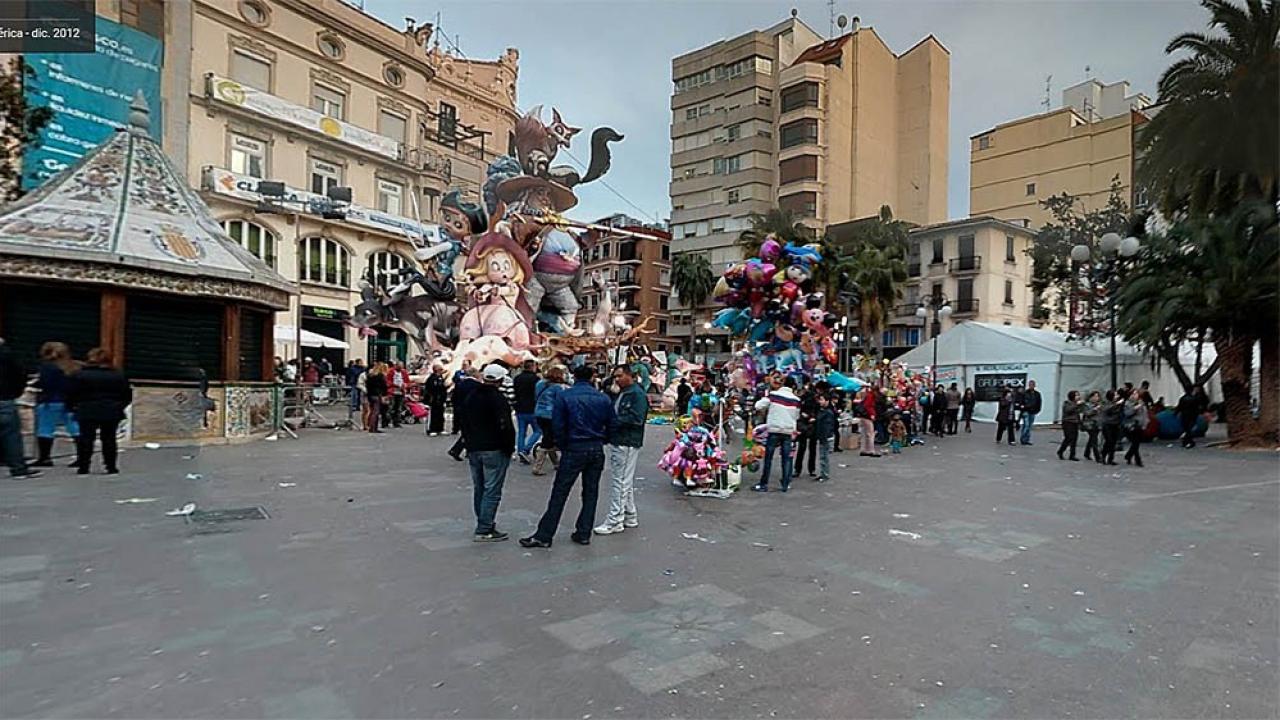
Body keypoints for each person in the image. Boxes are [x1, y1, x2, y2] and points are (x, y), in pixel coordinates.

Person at [521, 364, 615, 548]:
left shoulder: (565, 396)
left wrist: (563, 444)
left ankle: (545, 534)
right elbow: (612, 423)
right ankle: (584, 532)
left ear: (575, 377)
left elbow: (558, 425)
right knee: (590, 492)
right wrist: (603, 439)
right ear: (592, 377)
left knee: (560, 492)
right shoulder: (603, 398)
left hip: (574, 447)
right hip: (595, 447)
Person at [458, 364, 516, 542]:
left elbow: (463, 419)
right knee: (492, 489)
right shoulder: (497, 398)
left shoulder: (472, 396)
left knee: (480, 488)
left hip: (474, 447)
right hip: (494, 448)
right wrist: (509, 447)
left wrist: (468, 442)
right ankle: (484, 528)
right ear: (499, 380)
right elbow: (505, 425)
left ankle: (484, 522)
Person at [594, 364, 649, 535]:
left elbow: (637, 418)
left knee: (620, 482)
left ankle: (615, 520)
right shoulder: (623, 393)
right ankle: (629, 515)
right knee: (624, 480)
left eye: (619, 376)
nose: (616, 380)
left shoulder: (636, 394)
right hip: (619, 440)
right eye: (615, 377)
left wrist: (614, 422)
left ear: (630, 375)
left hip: (626, 441)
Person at [65, 348, 131, 475]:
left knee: (86, 438)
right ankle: (111, 466)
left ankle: (84, 466)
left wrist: (73, 407)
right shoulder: (118, 375)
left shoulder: (79, 375)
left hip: (87, 409)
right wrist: (119, 406)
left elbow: (71, 393)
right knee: (109, 439)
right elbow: (126, 395)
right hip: (111, 410)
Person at [32, 342, 80, 467]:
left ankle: (45, 458)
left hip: (50, 400)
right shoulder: (74, 366)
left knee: (45, 428)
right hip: (70, 401)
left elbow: (46, 383)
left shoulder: (47, 367)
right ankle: (82, 457)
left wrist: (35, 384)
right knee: (74, 428)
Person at [752, 374, 801, 493]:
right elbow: (796, 416)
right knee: (786, 458)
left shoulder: (774, 395)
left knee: (768, 458)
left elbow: (758, 406)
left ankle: (764, 484)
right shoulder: (796, 400)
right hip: (788, 431)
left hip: (774, 430)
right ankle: (785, 484)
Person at [0, 338, 41, 479]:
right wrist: (15, 392)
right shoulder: (7, 356)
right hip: (4, 399)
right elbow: (20, 375)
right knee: (11, 436)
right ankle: (18, 468)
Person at [531, 365, 568, 476]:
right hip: (551, 414)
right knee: (548, 440)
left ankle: (556, 463)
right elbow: (560, 402)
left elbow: (535, 396)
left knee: (548, 437)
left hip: (538, 412)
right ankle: (537, 467)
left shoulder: (540, 384)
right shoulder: (558, 388)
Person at [512, 360, 541, 464]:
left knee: (521, 432)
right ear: (533, 367)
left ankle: (520, 451)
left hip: (520, 408)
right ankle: (526, 449)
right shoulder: (536, 379)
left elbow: (514, 392)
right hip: (533, 408)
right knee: (538, 430)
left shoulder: (517, 378)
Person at [448, 370, 479, 461]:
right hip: (471, 410)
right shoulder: (476, 385)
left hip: (460, 409)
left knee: (466, 430)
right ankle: (457, 450)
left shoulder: (460, 384)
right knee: (470, 432)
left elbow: (454, 396)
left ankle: (464, 450)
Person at [793, 384, 819, 479]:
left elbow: (799, 412)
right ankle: (811, 469)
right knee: (812, 449)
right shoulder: (815, 400)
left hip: (804, 425)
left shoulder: (803, 400)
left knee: (802, 448)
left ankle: (798, 469)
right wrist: (813, 417)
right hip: (812, 425)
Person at [814, 392, 836, 482]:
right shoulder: (824, 411)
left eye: (822, 400)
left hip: (825, 437)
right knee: (823, 456)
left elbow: (827, 426)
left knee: (824, 456)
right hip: (824, 436)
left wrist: (824, 437)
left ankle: (824, 474)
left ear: (827, 401)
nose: (820, 401)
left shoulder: (827, 413)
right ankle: (823, 473)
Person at [1123, 390, 1148, 467]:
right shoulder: (1128, 403)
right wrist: (1135, 408)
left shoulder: (1141, 403)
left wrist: (1145, 423)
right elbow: (1127, 413)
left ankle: (1129, 455)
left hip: (1140, 425)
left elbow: (1144, 414)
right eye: (1133, 394)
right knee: (1135, 442)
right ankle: (1138, 460)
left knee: (1136, 443)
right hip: (1132, 425)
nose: (1135, 395)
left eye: (1136, 394)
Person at [1099, 390, 1124, 465]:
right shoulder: (1106, 403)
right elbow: (1106, 410)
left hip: (1115, 424)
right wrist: (1116, 404)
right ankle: (1103, 456)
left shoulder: (1118, 403)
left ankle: (1110, 459)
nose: (1117, 396)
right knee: (1108, 441)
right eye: (1115, 395)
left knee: (1113, 442)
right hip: (1107, 424)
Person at [423, 364, 448, 436]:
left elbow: (443, 389)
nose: (441, 371)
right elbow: (429, 389)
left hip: (441, 399)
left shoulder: (441, 378)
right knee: (433, 414)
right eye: (440, 370)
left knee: (440, 414)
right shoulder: (431, 378)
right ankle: (432, 429)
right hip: (433, 399)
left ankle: (440, 429)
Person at [1057, 390, 1082, 461]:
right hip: (1068, 422)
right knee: (1068, 438)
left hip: (1075, 422)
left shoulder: (1077, 404)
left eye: (1078, 395)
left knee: (1074, 439)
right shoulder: (1067, 403)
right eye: (1076, 395)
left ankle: (1072, 455)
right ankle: (1061, 451)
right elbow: (1068, 410)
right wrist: (1076, 405)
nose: (1078, 397)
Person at [364, 363, 388, 433]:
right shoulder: (380, 376)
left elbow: (367, 385)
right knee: (376, 412)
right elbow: (384, 386)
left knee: (372, 411)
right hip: (377, 395)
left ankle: (371, 426)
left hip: (370, 395)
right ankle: (373, 428)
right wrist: (384, 395)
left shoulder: (370, 376)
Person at [858, 387, 880, 457]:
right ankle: (871, 450)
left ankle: (863, 449)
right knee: (870, 434)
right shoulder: (871, 396)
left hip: (862, 416)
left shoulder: (867, 395)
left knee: (864, 433)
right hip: (867, 416)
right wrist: (872, 414)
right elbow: (868, 406)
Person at [1018, 380, 1042, 445]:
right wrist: (1022, 407)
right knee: (1026, 425)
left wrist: (1037, 410)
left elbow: (1039, 402)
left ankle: (1026, 439)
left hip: (1033, 411)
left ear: (1034, 385)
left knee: (1029, 426)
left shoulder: (1037, 394)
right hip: (1026, 411)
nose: (1031, 386)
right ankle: (1023, 439)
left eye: (1032, 385)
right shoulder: (1025, 393)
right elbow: (1021, 401)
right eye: (1030, 385)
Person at [1081, 391, 1103, 462]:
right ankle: (1097, 457)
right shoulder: (1087, 405)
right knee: (1094, 440)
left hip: (1097, 424)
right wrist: (1094, 409)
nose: (1096, 398)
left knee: (1092, 439)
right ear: (1090, 397)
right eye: (1094, 396)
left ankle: (1086, 453)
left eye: (1097, 396)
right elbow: (1087, 413)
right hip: (1090, 424)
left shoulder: (1099, 405)